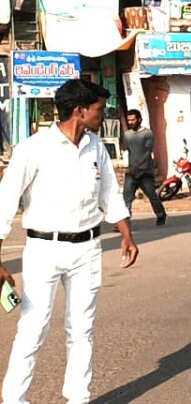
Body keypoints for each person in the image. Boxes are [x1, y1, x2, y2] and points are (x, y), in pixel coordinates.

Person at [0, 80, 139, 404]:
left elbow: (109, 195)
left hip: (87, 249)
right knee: (33, 329)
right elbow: (5, 200)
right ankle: (14, 399)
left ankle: (78, 397)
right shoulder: (33, 148)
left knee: (82, 330)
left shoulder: (96, 147)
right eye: (98, 109)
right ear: (79, 111)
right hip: (44, 250)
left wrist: (126, 234)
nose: (102, 115)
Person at [122, 109, 167, 227]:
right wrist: (131, 167)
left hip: (145, 171)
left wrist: (138, 166)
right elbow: (128, 150)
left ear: (139, 119)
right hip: (131, 172)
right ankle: (125, 220)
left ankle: (161, 214)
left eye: (133, 120)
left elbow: (147, 153)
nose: (130, 122)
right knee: (127, 197)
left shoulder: (147, 133)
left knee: (151, 195)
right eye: (128, 120)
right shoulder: (127, 134)